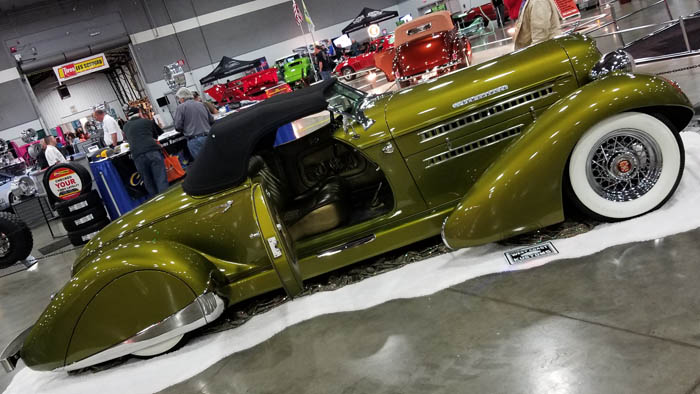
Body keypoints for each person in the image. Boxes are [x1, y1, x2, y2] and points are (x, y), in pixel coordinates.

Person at [122, 106, 169, 197]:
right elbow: (157, 136)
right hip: (152, 151)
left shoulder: (125, 127)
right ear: (140, 113)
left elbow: (127, 140)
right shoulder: (148, 121)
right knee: (160, 178)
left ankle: (155, 201)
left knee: (147, 181)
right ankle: (165, 198)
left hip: (137, 155)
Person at [174, 87, 214, 160]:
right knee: (215, 160)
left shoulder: (181, 107)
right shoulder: (201, 104)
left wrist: (186, 128)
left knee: (202, 164)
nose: (179, 101)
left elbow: (178, 126)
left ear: (182, 98)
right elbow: (211, 120)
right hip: (208, 137)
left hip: (194, 141)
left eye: (179, 99)